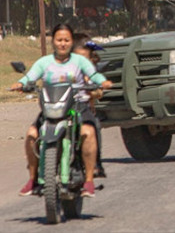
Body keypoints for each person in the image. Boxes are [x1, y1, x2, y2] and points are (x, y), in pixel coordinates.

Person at [11, 24, 112, 198]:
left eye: (66, 40)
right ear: (53, 42)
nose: (62, 44)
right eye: (59, 40)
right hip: (52, 107)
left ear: (72, 42)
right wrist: (21, 84)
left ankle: (88, 181)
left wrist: (102, 82)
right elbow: (31, 76)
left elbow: (94, 75)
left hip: (77, 107)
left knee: (88, 131)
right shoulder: (44, 62)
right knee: (32, 134)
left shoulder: (80, 61)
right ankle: (33, 179)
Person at [73, 33, 108, 179]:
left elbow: (99, 91)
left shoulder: (91, 71)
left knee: (95, 127)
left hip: (83, 109)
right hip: (62, 108)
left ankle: (96, 163)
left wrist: (92, 92)